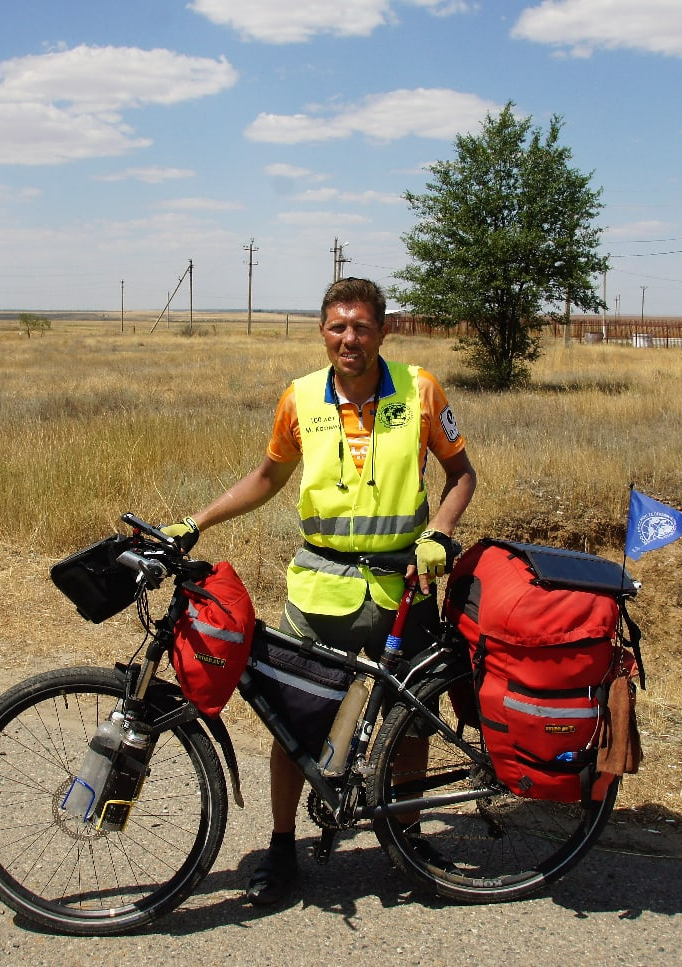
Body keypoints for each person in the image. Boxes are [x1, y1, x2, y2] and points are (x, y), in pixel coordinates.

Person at [161, 277, 477, 906]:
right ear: (323, 332)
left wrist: (440, 531)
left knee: (410, 724)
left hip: (402, 586)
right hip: (320, 589)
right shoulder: (299, 399)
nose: (349, 338)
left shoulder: (420, 390)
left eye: (361, 326)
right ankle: (283, 849)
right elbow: (266, 476)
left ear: (383, 330)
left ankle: (408, 839)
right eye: (338, 326)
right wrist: (195, 522)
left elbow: (461, 473)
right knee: (291, 724)